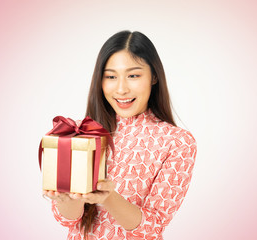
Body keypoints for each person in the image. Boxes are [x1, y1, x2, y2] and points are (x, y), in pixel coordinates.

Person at [43, 30, 197, 240]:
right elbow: (69, 221)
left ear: (154, 76)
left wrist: (108, 198)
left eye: (133, 75)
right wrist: (68, 199)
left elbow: (152, 227)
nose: (121, 88)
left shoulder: (177, 142)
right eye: (111, 76)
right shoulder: (78, 133)